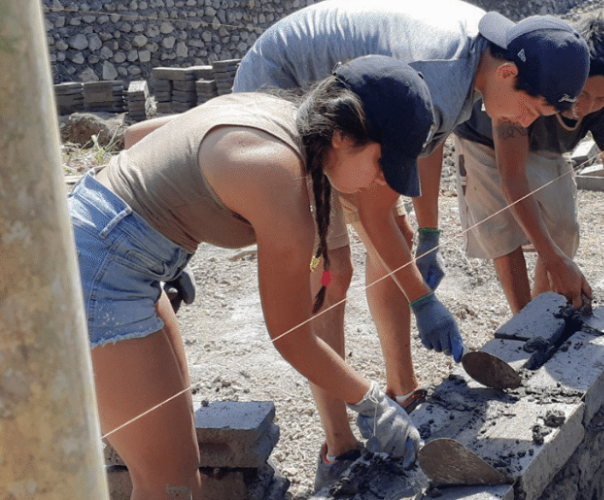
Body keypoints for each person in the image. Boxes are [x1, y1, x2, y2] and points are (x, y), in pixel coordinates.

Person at [233, 0, 590, 489]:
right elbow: (376, 211)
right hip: (288, 85)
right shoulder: (439, 75)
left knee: (397, 242)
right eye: (530, 109)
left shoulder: (484, 58)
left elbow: (427, 141)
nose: (524, 123)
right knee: (332, 273)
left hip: (360, 105)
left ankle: (401, 390)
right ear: (508, 73)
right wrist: (424, 300)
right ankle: (339, 444)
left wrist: (427, 234)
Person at [68, 56, 431, 500]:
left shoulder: (278, 114)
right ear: (341, 134)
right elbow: (291, 337)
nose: (380, 181)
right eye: (381, 164)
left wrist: (163, 220)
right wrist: (371, 400)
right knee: (169, 482)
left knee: (177, 465)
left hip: (116, 249)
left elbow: (141, 137)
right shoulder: (279, 178)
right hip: (100, 267)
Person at [451, 17, 604, 347]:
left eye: (601, 98)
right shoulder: (536, 88)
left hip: (544, 144)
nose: (585, 108)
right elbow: (512, 178)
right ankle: (524, 325)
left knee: (563, 227)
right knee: (501, 228)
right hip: (487, 137)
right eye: (582, 94)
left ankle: (541, 311)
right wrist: (553, 258)